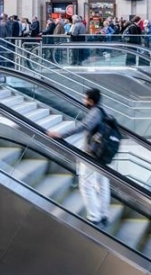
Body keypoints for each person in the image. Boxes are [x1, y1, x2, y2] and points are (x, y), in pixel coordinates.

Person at [47, 88, 111, 226]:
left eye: (85, 98)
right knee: (102, 184)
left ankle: (94, 216)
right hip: (103, 154)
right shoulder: (103, 111)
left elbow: (83, 126)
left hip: (92, 154)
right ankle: (104, 214)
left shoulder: (94, 113)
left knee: (86, 185)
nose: (83, 101)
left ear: (91, 101)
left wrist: (61, 134)